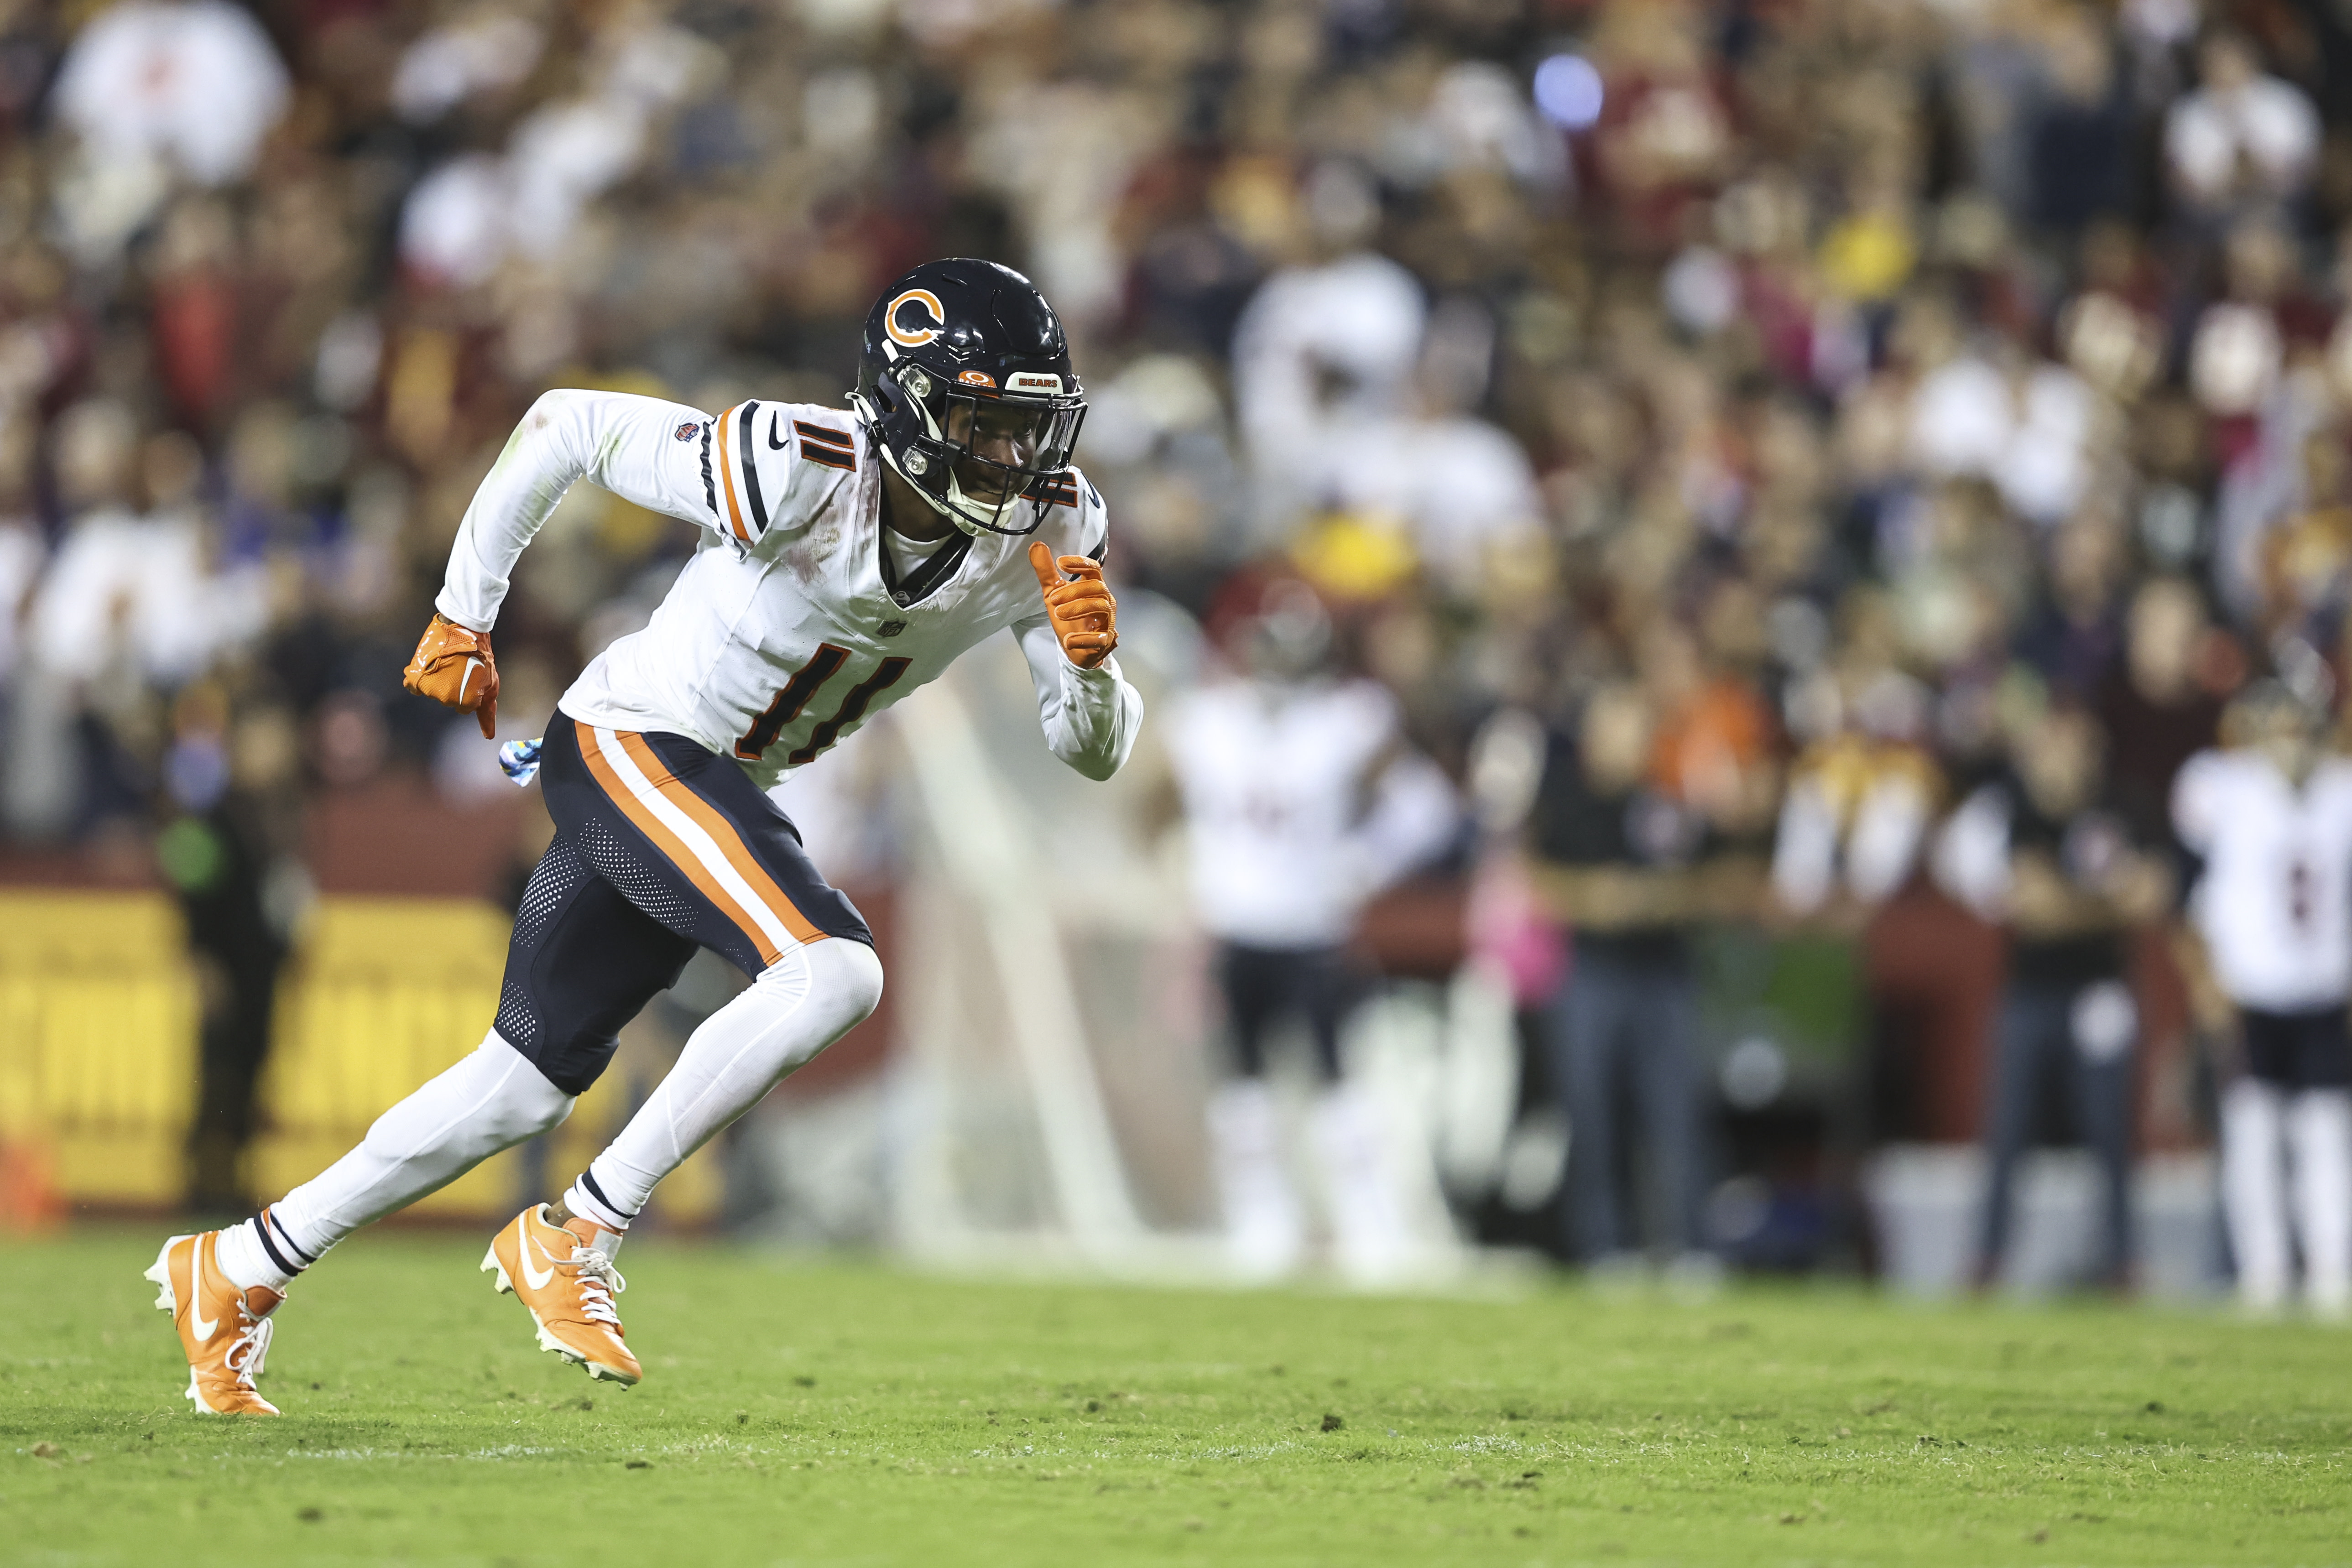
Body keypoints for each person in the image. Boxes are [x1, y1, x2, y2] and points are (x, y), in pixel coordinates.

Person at [144, 260, 1142, 1414]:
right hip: (639, 740)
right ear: (906, 411)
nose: (1016, 460)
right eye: (984, 424)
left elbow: (1091, 750)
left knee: (519, 1087)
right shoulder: (798, 468)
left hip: (714, 779)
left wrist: (1093, 666)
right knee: (833, 971)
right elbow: (565, 424)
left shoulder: (1052, 525)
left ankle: (237, 1267)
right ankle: (581, 1232)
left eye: (1029, 427)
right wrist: (464, 611)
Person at [1162, 574, 1456, 1281]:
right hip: (1236, 926)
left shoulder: (1345, 719)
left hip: (1311, 928)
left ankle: (1367, 1227)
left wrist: (1362, 863)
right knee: (1243, 1091)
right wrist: (1181, 866)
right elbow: (1147, 804)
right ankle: (1260, 1227)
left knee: (1337, 1087)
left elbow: (1426, 806)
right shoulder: (1206, 721)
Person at [1936, 705, 2172, 1291]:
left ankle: (2120, 1261)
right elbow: (2034, 910)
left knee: (2110, 1132)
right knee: (2008, 1130)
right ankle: (1988, 1259)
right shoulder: (2020, 809)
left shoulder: (2124, 806)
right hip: (2032, 990)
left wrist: (2075, 903)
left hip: (2101, 991)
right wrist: (2105, 902)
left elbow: (2151, 895)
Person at [1528, 681, 1752, 1279]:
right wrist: (1589, 898)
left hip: (1662, 972)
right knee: (1591, 1111)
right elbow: (1531, 876)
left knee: (1674, 1111)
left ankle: (1691, 1246)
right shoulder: (1564, 797)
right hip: (1593, 971)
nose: (1630, 744)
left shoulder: (1667, 800)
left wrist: (1657, 898)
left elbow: (1720, 878)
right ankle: (1602, 1247)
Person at [2172, 681, 2352, 1317]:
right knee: (2252, 1134)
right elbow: (2189, 892)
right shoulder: (2224, 788)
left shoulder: (2340, 791)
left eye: (2300, 725)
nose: (2290, 739)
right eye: (2278, 724)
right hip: (2249, 987)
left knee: (2325, 1134)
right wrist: (2204, 979)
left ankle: (2331, 1269)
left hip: (2323, 987)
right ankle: (2264, 1271)